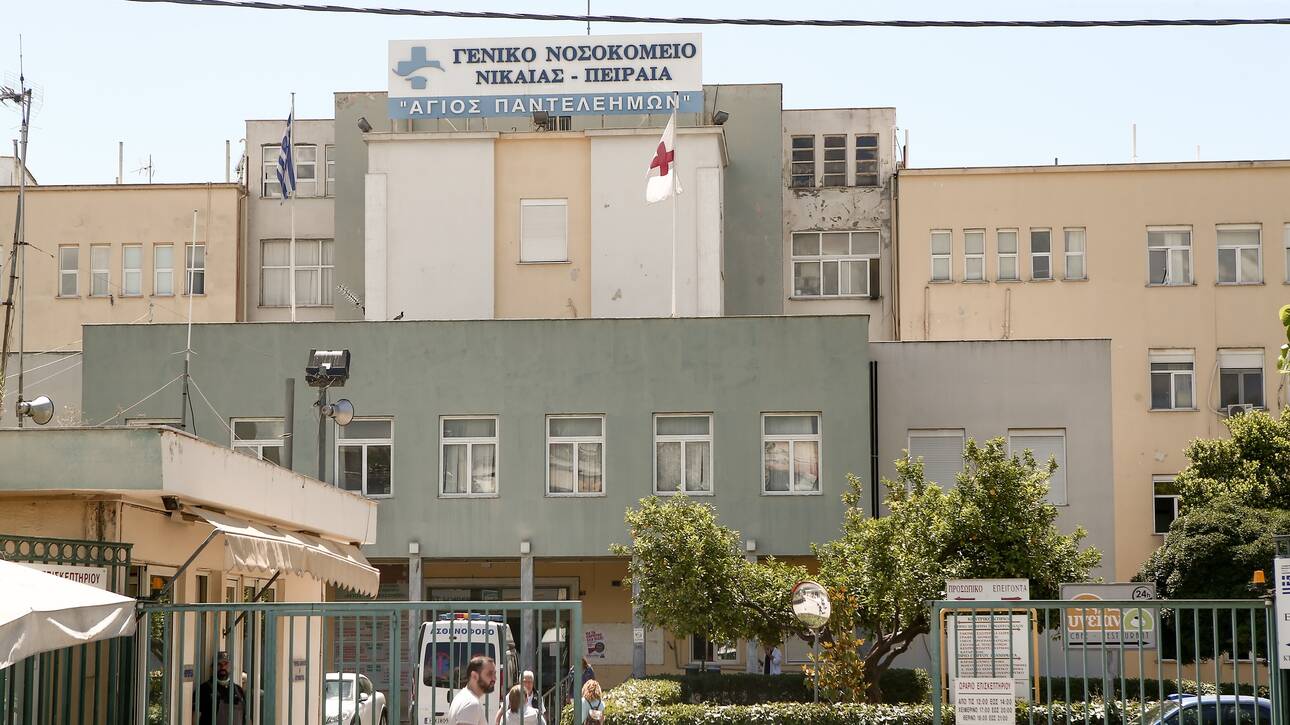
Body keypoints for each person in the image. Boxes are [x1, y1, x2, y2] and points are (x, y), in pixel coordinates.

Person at [193, 652, 246, 725]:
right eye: (219, 664)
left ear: (231, 667)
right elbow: (194, 718)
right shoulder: (203, 690)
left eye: (226, 664)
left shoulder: (239, 690)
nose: (222, 667)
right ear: (212, 667)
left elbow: (246, 718)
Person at [449, 655, 497, 725]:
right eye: (489, 674)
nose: (494, 678)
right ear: (474, 676)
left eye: (494, 673)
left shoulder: (463, 697)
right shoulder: (471, 704)